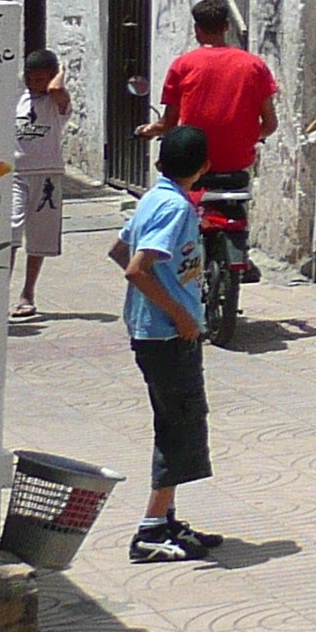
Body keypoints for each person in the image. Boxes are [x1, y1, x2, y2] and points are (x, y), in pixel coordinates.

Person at [112, 124, 225, 565]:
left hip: (153, 332)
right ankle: (150, 530)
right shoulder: (175, 207)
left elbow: (119, 249)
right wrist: (178, 313)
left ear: (160, 163)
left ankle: (169, 519)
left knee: (174, 420)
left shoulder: (152, 198)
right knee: (179, 425)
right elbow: (136, 268)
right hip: (166, 336)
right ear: (204, 167)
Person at [143, 0, 276, 280]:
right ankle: (243, 256)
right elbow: (270, 124)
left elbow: (168, 124)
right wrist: (248, 136)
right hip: (236, 164)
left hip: (195, 165)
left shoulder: (184, 65)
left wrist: (149, 129)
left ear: (197, 29)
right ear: (227, 27)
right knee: (238, 203)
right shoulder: (253, 65)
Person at [11, 48, 71, 319]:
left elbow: (58, 89)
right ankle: (1, 291)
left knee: (39, 236)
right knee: (10, 230)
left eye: (41, 79)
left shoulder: (57, 103)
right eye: (31, 78)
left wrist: (61, 72)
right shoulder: (17, 99)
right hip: (15, 173)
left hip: (47, 174)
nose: (35, 84)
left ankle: (28, 292)